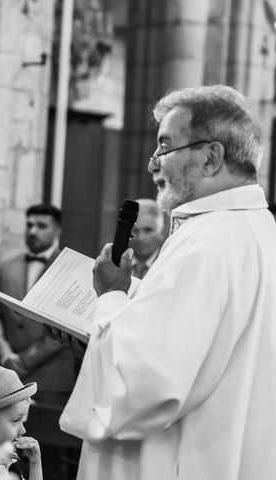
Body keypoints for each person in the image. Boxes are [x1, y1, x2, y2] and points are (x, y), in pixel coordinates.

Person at [60, 85, 276, 480]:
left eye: (164, 147)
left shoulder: (207, 244)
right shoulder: (255, 228)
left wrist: (110, 298)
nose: (152, 165)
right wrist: (136, 296)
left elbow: (145, 386)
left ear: (211, 157)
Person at [0, 203, 79, 479]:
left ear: (57, 229)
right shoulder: (8, 266)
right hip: (8, 379)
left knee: (48, 457)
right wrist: (4, 356)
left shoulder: (69, 268)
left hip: (51, 380)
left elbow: (65, 327)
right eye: (29, 224)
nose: (33, 231)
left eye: (41, 226)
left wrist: (22, 362)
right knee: (5, 455)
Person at [129, 198, 166, 279]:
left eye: (148, 230)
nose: (140, 238)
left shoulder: (169, 267)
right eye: (135, 231)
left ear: (162, 232)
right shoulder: (115, 265)